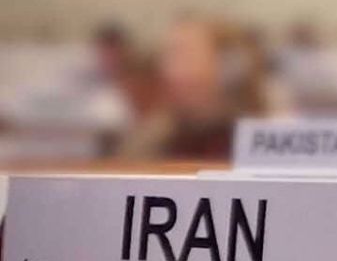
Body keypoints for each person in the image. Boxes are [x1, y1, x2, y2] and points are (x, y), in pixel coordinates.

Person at [117, 15, 276, 160]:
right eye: (165, 55)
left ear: (228, 69)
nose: (165, 69)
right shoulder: (150, 143)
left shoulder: (267, 142)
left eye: (181, 54)